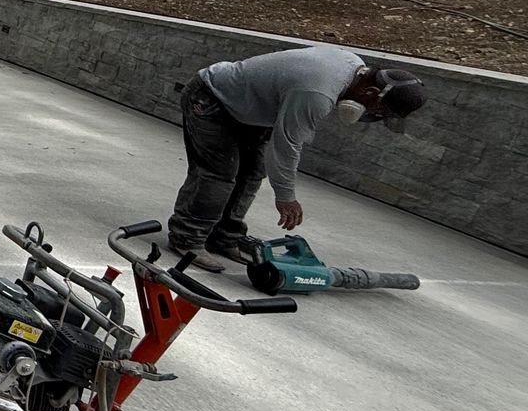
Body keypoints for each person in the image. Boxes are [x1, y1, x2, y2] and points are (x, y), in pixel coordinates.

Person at [167, 46, 426, 273]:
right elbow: (287, 144)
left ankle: (224, 238)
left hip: (247, 110)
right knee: (219, 173)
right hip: (212, 98)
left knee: (253, 172)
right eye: (378, 111)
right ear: (370, 92)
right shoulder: (317, 93)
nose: (372, 116)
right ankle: (187, 238)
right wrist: (286, 197)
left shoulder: (352, 66)